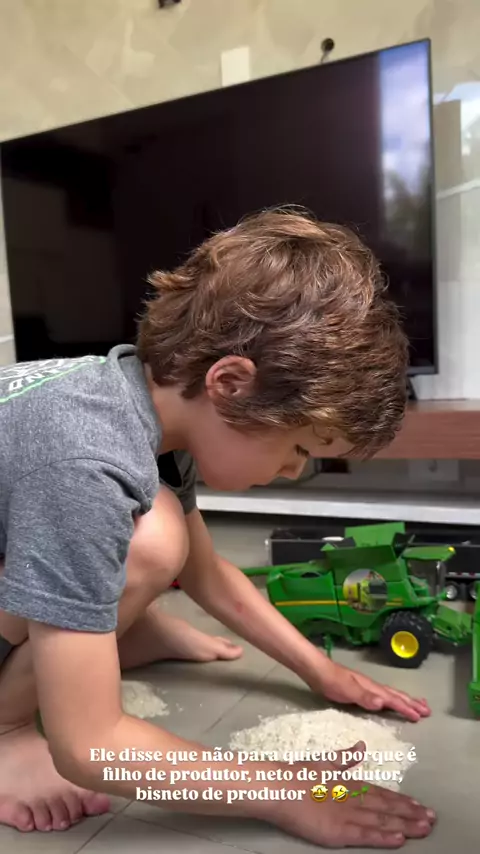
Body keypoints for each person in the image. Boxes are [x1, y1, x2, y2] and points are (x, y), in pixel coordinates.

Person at [0, 209, 435, 848]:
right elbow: (89, 745)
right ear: (229, 383)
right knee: (153, 541)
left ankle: (120, 632)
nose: (293, 471)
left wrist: (321, 671)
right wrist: (284, 794)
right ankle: (7, 730)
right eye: (298, 447)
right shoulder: (84, 461)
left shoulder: (139, 401)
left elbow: (207, 575)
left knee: (164, 534)